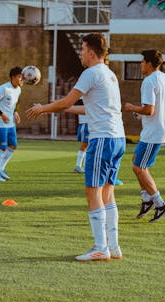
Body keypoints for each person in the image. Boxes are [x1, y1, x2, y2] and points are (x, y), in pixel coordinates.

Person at [27, 33, 125, 262]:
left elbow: (66, 101)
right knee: (108, 192)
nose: (81, 53)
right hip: (117, 138)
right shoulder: (109, 74)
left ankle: (101, 248)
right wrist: (61, 108)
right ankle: (113, 246)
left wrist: (43, 108)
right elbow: (86, 108)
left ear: (91, 53)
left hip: (102, 139)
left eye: (82, 49)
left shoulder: (90, 73)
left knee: (93, 191)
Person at [124, 50, 165, 223]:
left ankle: (160, 203)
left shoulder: (149, 81)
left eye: (142, 62)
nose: (140, 65)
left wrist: (132, 107)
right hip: (161, 129)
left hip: (154, 132)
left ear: (149, 63)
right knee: (137, 161)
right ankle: (147, 199)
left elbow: (149, 109)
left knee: (138, 167)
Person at [0, 67, 23, 182]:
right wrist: (2, 114)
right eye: (19, 76)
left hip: (10, 124)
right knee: (2, 148)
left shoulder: (18, 89)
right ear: (13, 77)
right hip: (0, 124)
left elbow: (15, 103)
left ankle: (1, 169)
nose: (21, 79)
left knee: (13, 146)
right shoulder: (3, 88)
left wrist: (15, 112)